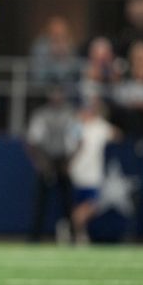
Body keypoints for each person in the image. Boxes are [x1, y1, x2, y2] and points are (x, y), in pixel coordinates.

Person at [67, 95, 118, 244]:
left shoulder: (99, 126)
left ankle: (77, 231)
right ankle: (74, 228)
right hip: (78, 171)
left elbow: (116, 134)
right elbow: (71, 146)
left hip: (93, 173)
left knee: (92, 205)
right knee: (86, 204)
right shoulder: (77, 126)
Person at [26, 85, 74, 243]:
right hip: (46, 159)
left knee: (67, 202)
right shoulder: (42, 114)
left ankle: (71, 234)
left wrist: (69, 161)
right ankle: (35, 235)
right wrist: (41, 163)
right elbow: (32, 141)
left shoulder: (70, 114)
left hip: (63, 160)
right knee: (41, 202)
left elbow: (79, 139)